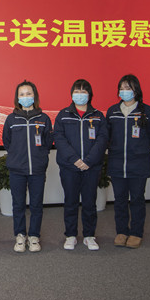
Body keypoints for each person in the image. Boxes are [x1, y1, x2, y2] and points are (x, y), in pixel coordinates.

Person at [106, 74, 150, 249]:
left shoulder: (148, 112)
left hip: (138, 164)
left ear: (136, 90)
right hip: (117, 163)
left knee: (137, 199)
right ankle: (122, 231)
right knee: (120, 200)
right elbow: (107, 136)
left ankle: (136, 232)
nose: (124, 91)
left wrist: (140, 150)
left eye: (128, 88)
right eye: (122, 88)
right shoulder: (112, 111)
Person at [54, 79, 108, 251]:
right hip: (69, 167)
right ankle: (70, 235)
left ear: (90, 95)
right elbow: (59, 139)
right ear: (71, 94)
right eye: (77, 91)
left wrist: (89, 161)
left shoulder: (98, 116)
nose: (80, 94)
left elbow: (102, 139)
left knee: (89, 202)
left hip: (91, 168)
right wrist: (75, 160)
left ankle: (89, 236)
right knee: (70, 201)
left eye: (84, 91)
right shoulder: (63, 115)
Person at [2, 81, 53, 253]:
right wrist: (16, 157)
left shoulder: (44, 119)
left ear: (35, 96)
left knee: (36, 205)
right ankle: (20, 235)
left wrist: (40, 157)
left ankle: (34, 236)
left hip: (37, 170)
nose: (25, 97)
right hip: (17, 170)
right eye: (22, 94)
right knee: (18, 205)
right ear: (17, 98)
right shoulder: (11, 119)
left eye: (29, 93)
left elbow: (47, 142)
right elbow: (7, 142)